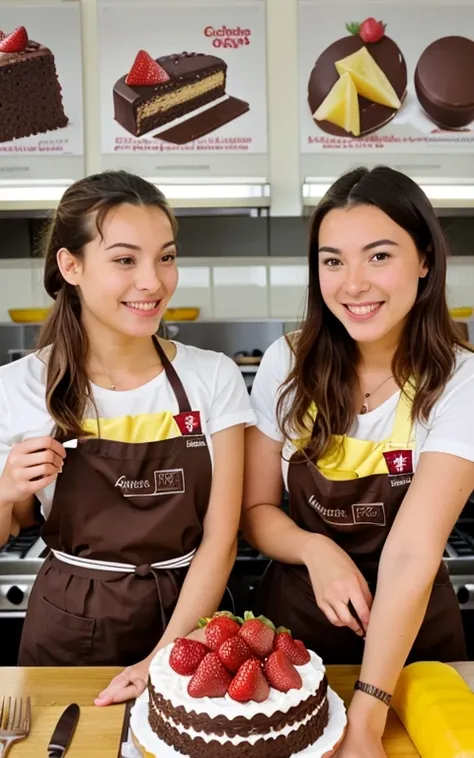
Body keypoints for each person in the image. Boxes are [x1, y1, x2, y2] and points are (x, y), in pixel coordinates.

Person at [242, 165, 474, 758]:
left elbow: (412, 552)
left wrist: (369, 714)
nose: (352, 284)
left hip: (413, 651)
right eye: (332, 261)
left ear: (425, 260)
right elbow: (257, 509)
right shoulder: (286, 363)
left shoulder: (461, 380)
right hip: (293, 644)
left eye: (378, 256)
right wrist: (316, 550)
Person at [0, 170, 255, 705]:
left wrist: (163, 654)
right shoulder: (17, 387)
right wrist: (7, 491)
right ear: (71, 265)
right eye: (124, 259)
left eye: (165, 256)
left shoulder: (213, 377)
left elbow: (221, 538)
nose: (153, 281)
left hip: (194, 623)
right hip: (67, 626)